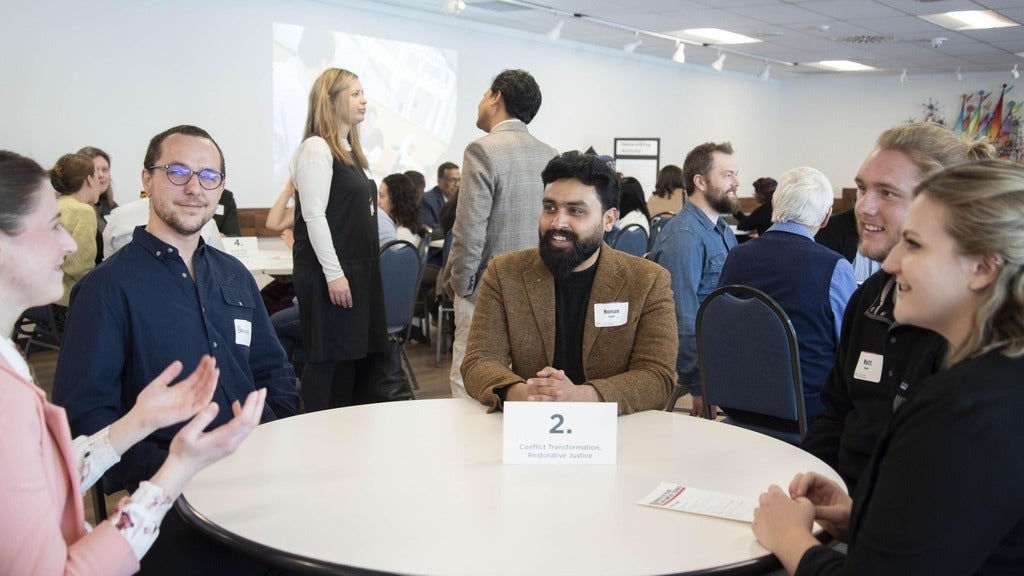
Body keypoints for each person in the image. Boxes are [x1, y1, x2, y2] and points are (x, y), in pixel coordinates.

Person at [0, 150, 267, 575]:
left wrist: (139, 421)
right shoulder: (104, 290)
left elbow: (44, 480)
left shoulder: (10, 365)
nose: (70, 244)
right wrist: (176, 469)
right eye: (54, 225)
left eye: (208, 175)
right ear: (147, 179)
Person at [752, 160, 1024, 575]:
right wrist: (858, 519)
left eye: (913, 244)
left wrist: (791, 540)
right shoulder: (998, 384)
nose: (893, 264)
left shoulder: (963, 407)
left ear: (983, 267)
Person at [801, 123, 994, 492]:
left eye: (887, 193)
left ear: (941, 206)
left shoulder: (972, 327)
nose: (863, 206)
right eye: (861, 188)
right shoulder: (871, 297)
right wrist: (809, 488)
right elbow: (837, 414)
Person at [462, 152, 676, 414]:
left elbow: (658, 377)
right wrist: (527, 394)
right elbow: (478, 361)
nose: (557, 222)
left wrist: (579, 396)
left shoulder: (647, 281)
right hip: (529, 433)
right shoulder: (505, 274)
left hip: (619, 434)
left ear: (609, 219)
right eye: (550, 207)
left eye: (576, 211)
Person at [443, 68, 558, 399]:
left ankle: (471, 450)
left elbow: (468, 230)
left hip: (486, 289)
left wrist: (462, 286)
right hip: (537, 288)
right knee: (525, 381)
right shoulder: (550, 155)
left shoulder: (481, 150)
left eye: (483, 94)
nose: (480, 102)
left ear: (497, 97)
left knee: (470, 379)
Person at [717, 167, 856, 422]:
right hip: (806, 409)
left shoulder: (736, 256)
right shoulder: (835, 269)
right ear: (826, 217)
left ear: (774, 206)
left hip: (736, 401)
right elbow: (851, 347)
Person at [290, 67, 387, 410]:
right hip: (333, 272)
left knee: (350, 361)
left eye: (363, 93)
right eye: (355, 94)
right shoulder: (317, 148)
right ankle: (316, 435)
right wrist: (334, 274)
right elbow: (313, 215)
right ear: (331, 102)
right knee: (328, 360)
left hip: (358, 269)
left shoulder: (350, 150)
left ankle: (343, 437)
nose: (364, 101)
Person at [649, 142, 739, 418]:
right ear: (700, 181)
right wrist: (699, 386)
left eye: (736, 174)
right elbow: (682, 317)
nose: (737, 183)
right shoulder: (685, 236)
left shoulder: (722, 230)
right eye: (727, 175)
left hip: (724, 361)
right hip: (702, 374)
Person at [102, 190, 224, 259]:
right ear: (147, 179)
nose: (193, 188)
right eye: (177, 173)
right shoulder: (204, 221)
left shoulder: (118, 215)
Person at [50, 152, 102, 311]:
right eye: (97, 177)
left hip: (45, 304)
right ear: (89, 180)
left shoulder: (56, 205)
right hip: (70, 304)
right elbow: (80, 267)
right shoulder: (82, 211)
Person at [78, 146, 118, 264]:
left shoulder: (111, 206)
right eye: (95, 170)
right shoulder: (75, 210)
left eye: (105, 170)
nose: (101, 175)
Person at [377, 172, 423, 247]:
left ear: (395, 199)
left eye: (381, 196)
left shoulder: (399, 236)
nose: (378, 202)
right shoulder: (409, 229)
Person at [420, 161, 459, 231]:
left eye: (459, 180)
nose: (457, 184)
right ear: (439, 180)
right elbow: (430, 227)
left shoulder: (462, 199)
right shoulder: (427, 200)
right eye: (452, 180)